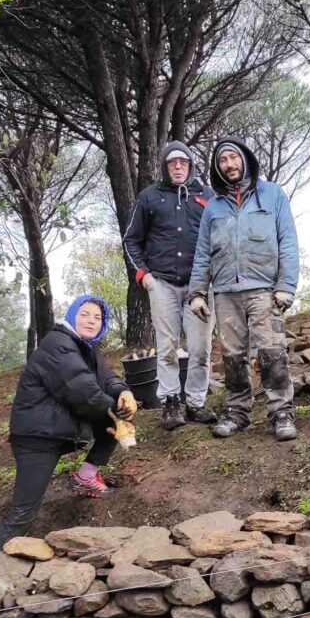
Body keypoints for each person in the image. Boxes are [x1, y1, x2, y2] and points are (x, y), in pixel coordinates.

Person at [0, 295, 137, 555]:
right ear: (73, 314)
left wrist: (123, 392)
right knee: (23, 513)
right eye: (85, 314)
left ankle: (85, 478)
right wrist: (116, 416)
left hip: (60, 427)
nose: (92, 321)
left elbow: (105, 376)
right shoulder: (59, 344)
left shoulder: (87, 346)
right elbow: (83, 392)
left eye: (97, 317)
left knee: (116, 424)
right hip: (37, 437)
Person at [187, 138, 300, 442]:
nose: (229, 164)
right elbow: (202, 253)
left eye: (233, 157)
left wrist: (286, 285)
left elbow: (288, 240)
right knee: (233, 355)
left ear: (245, 159)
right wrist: (197, 292)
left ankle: (281, 413)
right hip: (224, 291)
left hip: (265, 290)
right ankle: (238, 413)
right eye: (223, 160)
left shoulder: (273, 194)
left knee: (272, 352)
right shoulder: (212, 207)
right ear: (217, 167)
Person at [122, 141, 218, 431]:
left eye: (183, 163)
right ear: (165, 166)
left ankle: (197, 402)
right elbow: (131, 241)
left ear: (190, 165)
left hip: (200, 286)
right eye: (172, 163)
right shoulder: (148, 198)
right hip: (162, 283)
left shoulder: (207, 196)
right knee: (167, 348)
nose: (178, 167)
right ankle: (171, 403)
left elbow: (220, 237)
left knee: (201, 348)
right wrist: (145, 277)